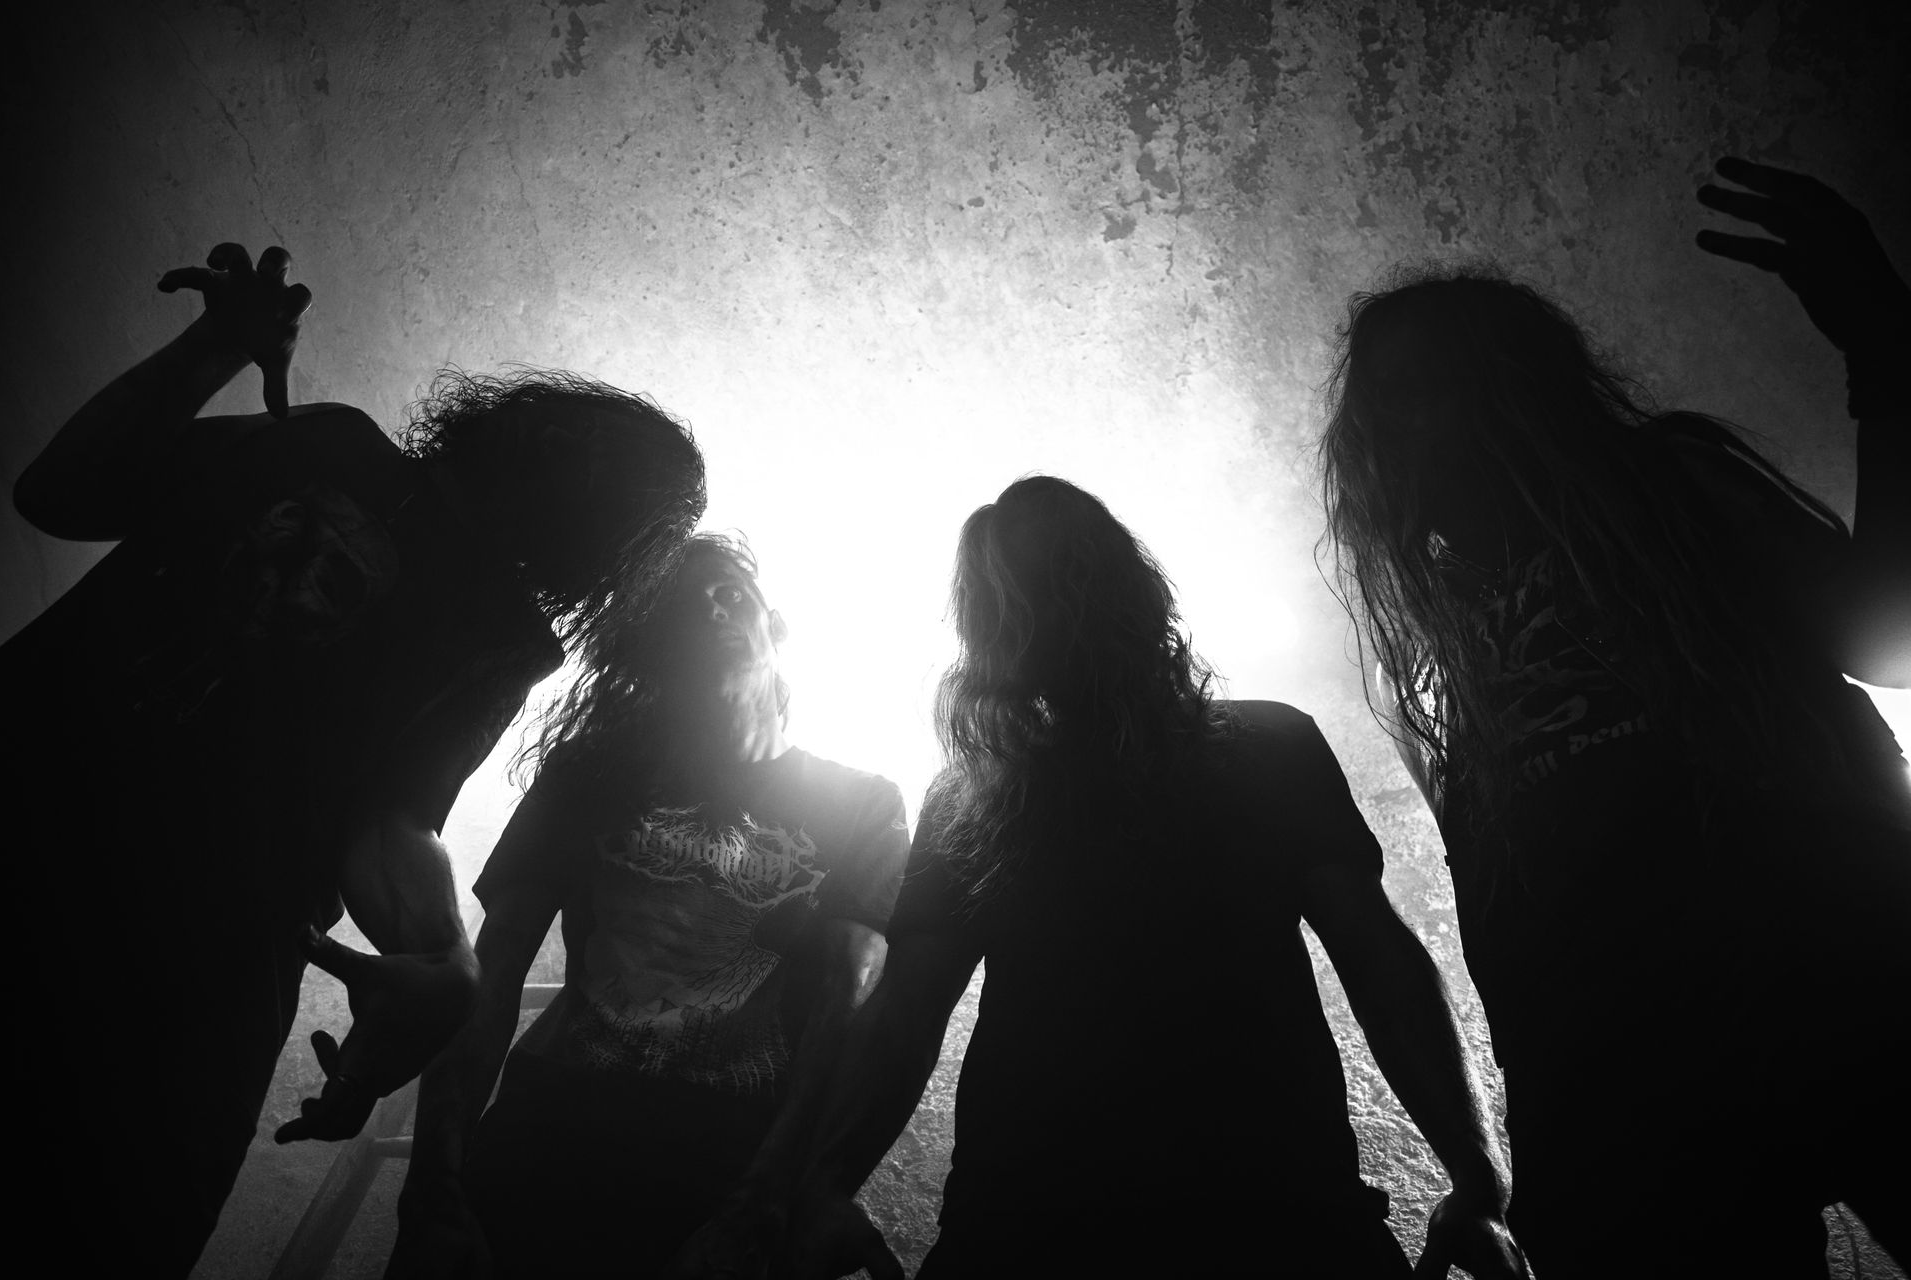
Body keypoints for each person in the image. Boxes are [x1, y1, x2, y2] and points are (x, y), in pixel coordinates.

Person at [1, 242, 708, 1275]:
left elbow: (396, 818)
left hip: (177, 1002)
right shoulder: (328, 443)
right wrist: (212, 347)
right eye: (589, 428)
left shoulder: (505, 640)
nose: (575, 447)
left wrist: (446, 957)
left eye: (614, 469)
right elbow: (60, 492)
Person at [698, 477, 1528, 1279]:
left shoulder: (1258, 751)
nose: (1059, 612)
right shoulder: (993, 794)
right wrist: (1477, 1184)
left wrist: (830, 1184)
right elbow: (1381, 963)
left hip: (1090, 1229)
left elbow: (1383, 966)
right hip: (1220, 1223)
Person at [1317, 158, 1911, 1277]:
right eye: (1380, 399)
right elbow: (1501, 896)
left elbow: (1888, 633)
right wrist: (1529, 1134)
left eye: (1423, 387)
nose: (1390, 425)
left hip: (1836, 982)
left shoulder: (1664, 486)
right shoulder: (1435, 635)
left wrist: (1883, 345)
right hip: (1631, 1079)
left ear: (1513, 393)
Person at [388, 534, 912, 1279]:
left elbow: (846, 1008)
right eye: (680, 607)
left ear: (777, 626)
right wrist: (433, 1189)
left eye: (730, 592)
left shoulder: (862, 804)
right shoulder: (587, 773)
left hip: (722, 1165)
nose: (711, 611)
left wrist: (762, 1204)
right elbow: (492, 970)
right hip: (546, 1135)